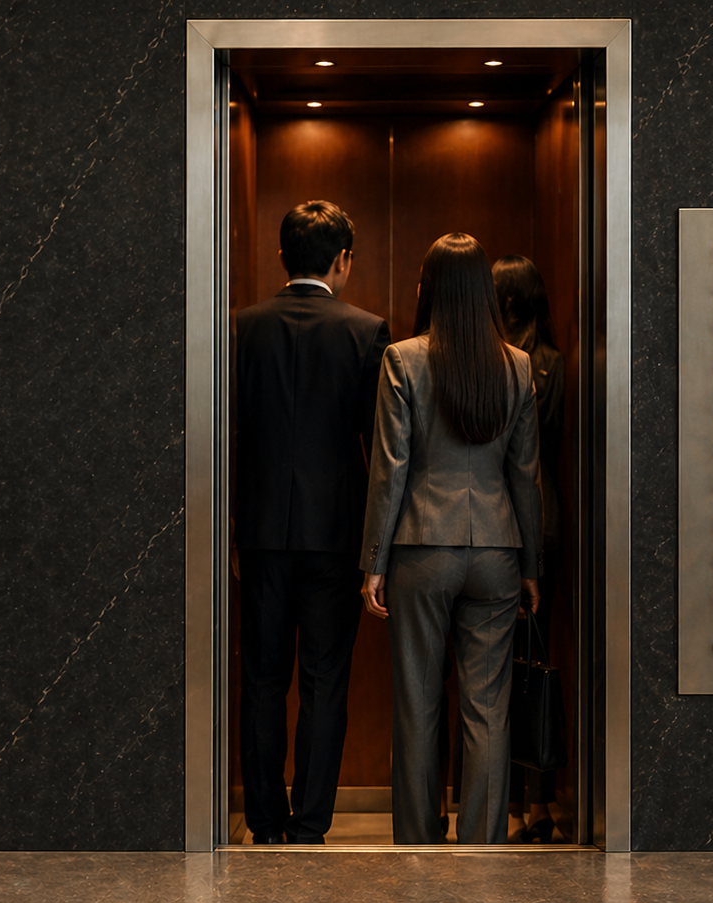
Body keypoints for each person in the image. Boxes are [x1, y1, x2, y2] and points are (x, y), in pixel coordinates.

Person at [359, 232, 542, 845]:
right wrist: (531, 566)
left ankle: (417, 843)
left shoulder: (402, 360)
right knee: (487, 709)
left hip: (421, 550)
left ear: (428, 288)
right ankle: (482, 847)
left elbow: (391, 469)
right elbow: (526, 476)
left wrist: (374, 562)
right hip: (496, 551)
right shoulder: (516, 365)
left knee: (418, 704)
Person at [234, 201, 390, 845]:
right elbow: (377, 443)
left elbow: (230, 436)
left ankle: (265, 823)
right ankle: (310, 827)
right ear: (343, 260)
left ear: (282, 257)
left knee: (263, 680)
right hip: (336, 535)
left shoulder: (242, 326)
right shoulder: (366, 329)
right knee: (326, 682)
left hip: (261, 534)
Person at [491, 255, 566, 844]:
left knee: (504, 673)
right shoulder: (553, 366)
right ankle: (539, 804)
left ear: (507, 302)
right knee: (537, 664)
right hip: (547, 523)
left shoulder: (497, 365)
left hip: (504, 526)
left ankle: (514, 807)